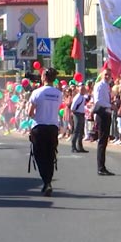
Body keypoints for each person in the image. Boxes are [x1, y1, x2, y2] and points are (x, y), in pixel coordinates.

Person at [27, 67, 63, 196]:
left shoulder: (37, 92)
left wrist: (35, 115)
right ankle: (48, 181)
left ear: (43, 77)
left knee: (39, 155)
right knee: (50, 155)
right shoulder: (58, 94)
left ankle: (46, 181)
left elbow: (29, 112)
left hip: (39, 126)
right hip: (53, 127)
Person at [93, 68, 115, 176]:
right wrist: (110, 106)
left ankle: (102, 166)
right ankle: (100, 167)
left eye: (109, 75)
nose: (107, 77)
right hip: (102, 114)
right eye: (106, 75)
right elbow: (98, 101)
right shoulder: (99, 86)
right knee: (102, 141)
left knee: (104, 141)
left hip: (107, 114)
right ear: (102, 75)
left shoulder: (107, 86)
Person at [70, 83, 88, 153]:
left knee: (81, 131)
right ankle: (73, 146)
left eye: (84, 89)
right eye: (81, 89)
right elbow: (72, 107)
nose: (83, 90)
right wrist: (75, 114)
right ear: (79, 89)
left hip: (81, 114)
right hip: (77, 114)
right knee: (76, 130)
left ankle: (80, 146)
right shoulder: (78, 97)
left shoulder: (82, 97)